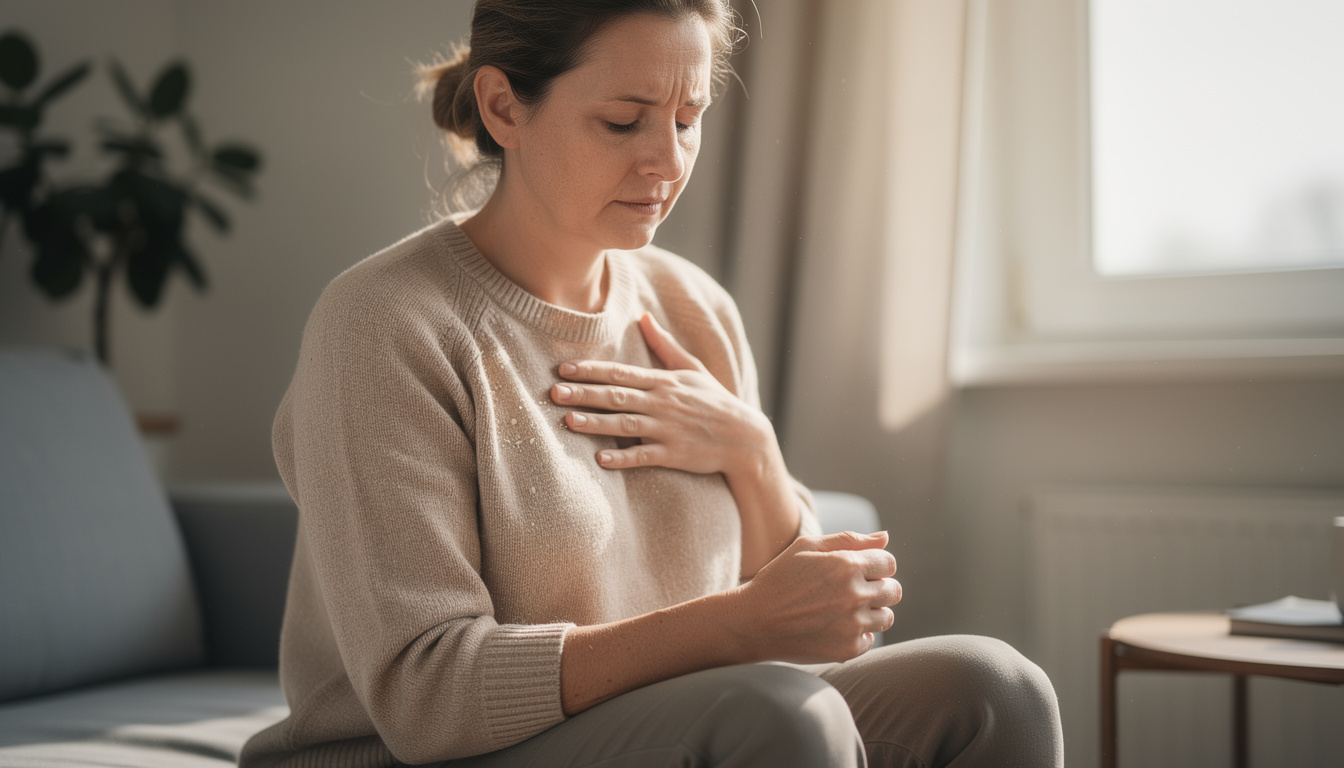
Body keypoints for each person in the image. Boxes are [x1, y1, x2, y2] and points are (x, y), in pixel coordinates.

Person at [240, 1, 1064, 766]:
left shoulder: (691, 308)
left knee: (997, 690)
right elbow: (425, 694)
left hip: (687, 721)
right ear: (502, 108)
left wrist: (755, 457)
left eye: (689, 117)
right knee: (779, 717)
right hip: (429, 751)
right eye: (623, 120)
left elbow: (823, 644)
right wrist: (732, 626)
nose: (667, 160)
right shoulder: (385, 326)